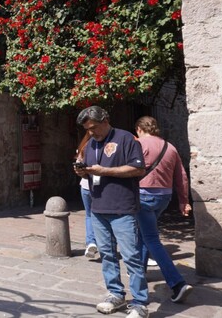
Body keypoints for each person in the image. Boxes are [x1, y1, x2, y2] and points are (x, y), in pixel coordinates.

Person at [74, 106, 149, 318]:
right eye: (88, 129)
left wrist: (104, 171)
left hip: (122, 207)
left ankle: (140, 302)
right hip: (98, 207)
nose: (92, 132)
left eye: (95, 128)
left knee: (131, 256)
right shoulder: (90, 145)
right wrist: (82, 171)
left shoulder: (126, 139)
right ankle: (115, 293)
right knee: (107, 254)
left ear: (106, 120)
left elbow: (138, 169)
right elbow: (91, 173)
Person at [135, 116, 193, 303]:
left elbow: (128, 170)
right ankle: (140, 271)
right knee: (146, 233)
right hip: (164, 197)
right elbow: (181, 176)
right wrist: (184, 201)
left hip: (142, 196)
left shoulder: (138, 145)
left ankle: (177, 283)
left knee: (151, 238)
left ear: (139, 129)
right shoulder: (171, 147)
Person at [75, 133, 99, 260]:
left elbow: (78, 164)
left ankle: (91, 242)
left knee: (89, 215)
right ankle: (105, 244)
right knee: (103, 215)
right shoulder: (104, 147)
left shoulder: (83, 147)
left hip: (85, 186)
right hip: (101, 186)